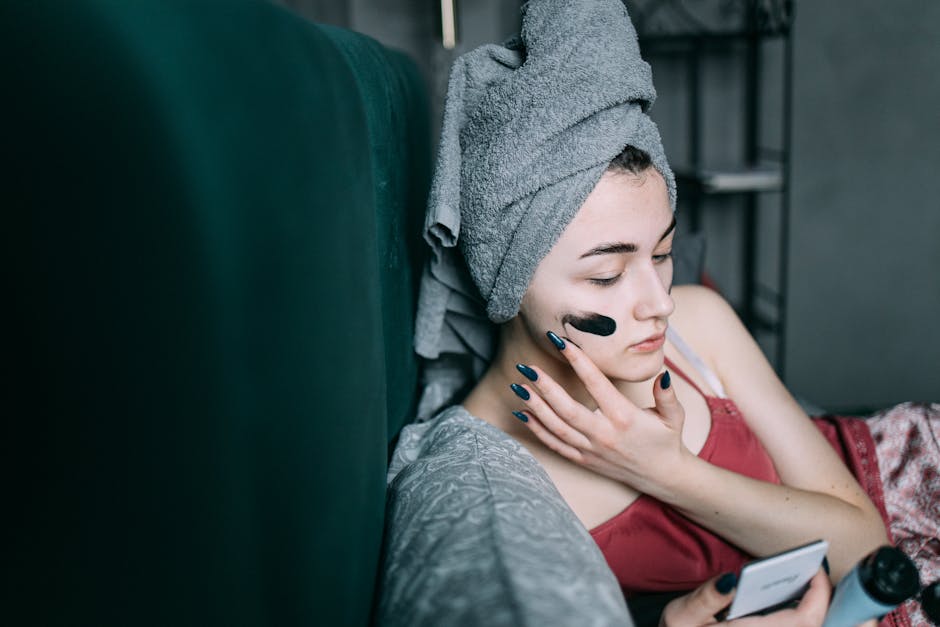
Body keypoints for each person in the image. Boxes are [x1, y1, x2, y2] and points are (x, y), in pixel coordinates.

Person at [382, 0, 939, 624]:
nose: (660, 302)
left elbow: (866, 544)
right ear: (505, 276)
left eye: (664, 252)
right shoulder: (492, 478)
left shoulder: (696, 319)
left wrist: (668, 472)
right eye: (607, 274)